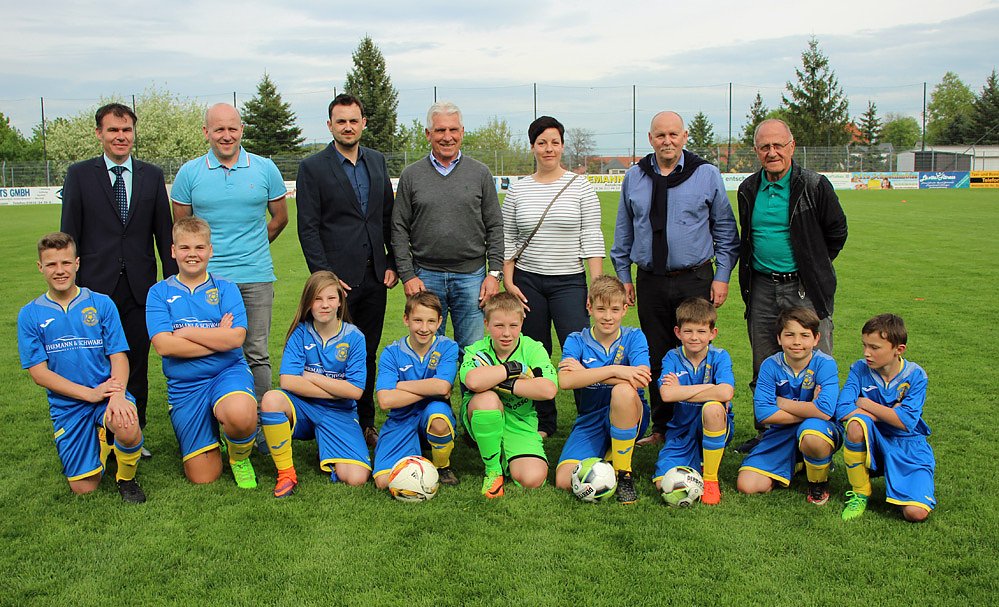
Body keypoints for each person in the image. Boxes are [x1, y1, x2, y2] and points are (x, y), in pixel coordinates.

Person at [610, 111, 739, 446]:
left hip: (694, 278)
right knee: (656, 353)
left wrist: (722, 276)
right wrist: (624, 277)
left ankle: (701, 421)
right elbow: (624, 231)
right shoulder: (635, 176)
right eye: (660, 135)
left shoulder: (706, 174)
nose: (667, 141)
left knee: (695, 348)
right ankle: (663, 427)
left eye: (673, 134)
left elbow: (726, 230)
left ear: (684, 137)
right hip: (650, 280)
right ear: (650, 139)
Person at [60, 102, 177, 459]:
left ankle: (132, 433)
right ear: (99, 133)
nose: (121, 136)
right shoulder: (80, 175)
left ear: (134, 133)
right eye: (113, 130)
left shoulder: (151, 175)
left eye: (126, 130)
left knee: (136, 362)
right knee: (96, 363)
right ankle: (96, 433)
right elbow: (69, 234)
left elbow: (164, 235)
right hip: (94, 289)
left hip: (140, 289)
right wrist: (70, 290)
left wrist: (172, 288)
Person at [734, 118, 847, 454]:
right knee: (764, 362)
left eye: (778, 145)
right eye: (764, 147)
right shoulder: (748, 188)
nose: (772, 152)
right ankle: (769, 434)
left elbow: (837, 232)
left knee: (816, 360)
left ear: (792, 146)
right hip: (762, 287)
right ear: (756, 151)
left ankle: (819, 434)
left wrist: (813, 265)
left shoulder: (814, 185)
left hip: (804, 287)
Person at [296, 93, 398, 447]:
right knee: (331, 352)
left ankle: (365, 421)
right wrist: (325, 278)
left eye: (354, 120)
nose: (348, 127)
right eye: (341, 121)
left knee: (366, 352)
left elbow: (387, 217)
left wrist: (392, 262)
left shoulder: (377, 161)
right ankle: (332, 419)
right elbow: (308, 227)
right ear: (330, 125)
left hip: (375, 277)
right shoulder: (313, 167)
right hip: (337, 282)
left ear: (363, 123)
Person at [171, 103, 288, 403]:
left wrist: (253, 245)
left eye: (232, 128)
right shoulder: (189, 173)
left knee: (256, 352)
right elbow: (182, 227)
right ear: (206, 132)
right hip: (207, 281)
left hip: (256, 276)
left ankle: (259, 420)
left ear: (242, 130)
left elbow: (280, 218)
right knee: (209, 349)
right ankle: (212, 414)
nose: (226, 135)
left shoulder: (265, 168)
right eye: (219, 129)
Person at [17, 232, 146, 503]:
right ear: (40, 267)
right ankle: (101, 439)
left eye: (66, 263)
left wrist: (118, 396)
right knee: (84, 487)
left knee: (126, 423)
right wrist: (88, 394)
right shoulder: (30, 314)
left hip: (107, 393)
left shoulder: (101, 303)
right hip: (68, 405)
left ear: (77, 263)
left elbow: (118, 356)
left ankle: (126, 478)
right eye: (51, 264)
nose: (60, 270)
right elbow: (39, 373)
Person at [502, 115, 604, 438]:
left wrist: (595, 286)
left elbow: (592, 236)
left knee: (580, 351)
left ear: (562, 145)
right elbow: (508, 238)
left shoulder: (580, 187)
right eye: (542, 143)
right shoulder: (518, 190)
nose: (549, 149)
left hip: (570, 282)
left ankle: (589, 420)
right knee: (536, 352)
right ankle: (543, 421)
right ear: (532, 147)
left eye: (555, 142)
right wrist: (508, 280)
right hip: (527, 281)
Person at [146, 217, 259, 488]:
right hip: (186, 385)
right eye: (185, 248)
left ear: (210, 250)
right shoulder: (159, 293)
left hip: (226, 373)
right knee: (203, 477)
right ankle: (211, 433)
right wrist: (218, 336)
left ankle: (239, 457)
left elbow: (236, 338)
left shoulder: (226, 288)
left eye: (199, 247)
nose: (192, 254)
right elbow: (164, 346)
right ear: (173, 251)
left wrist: (185, 332)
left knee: (241, 414)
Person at [392, 101, 504, 350]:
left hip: (472, 277)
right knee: (427, 348)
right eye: (440, 130)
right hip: (425, 276)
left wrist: (494, 273)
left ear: (462, 132)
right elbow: (398, 228)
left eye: (453, 130)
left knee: (472, 351)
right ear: (428, 134)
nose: (447, 137)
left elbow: (495, 226)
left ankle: (470, 380)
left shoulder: (480, 173)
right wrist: (407, 275)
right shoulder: (411, 175)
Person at [258, 271, 371, 497]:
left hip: (339, 412)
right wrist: (339, 389)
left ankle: (327, 442)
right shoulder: (300, 333)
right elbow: (288, 381)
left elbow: (356, 391)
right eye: (317, 299)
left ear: (340, 301)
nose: (324, 305)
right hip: (303, 407)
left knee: (356, 478)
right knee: (272, 399)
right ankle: (286, 473)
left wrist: (311, 376)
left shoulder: (354, 337)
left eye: (331, 298)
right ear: (308, 302)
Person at [554, 276, 650, 504]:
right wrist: (617, 370)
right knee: (565, 480)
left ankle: (623, 474)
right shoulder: (576, 340)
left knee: (624, 391)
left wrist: (586, 373)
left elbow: (640, 379)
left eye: (615, 309)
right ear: (589, 307)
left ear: (624, 309)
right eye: (601, 309)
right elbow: (565, 381)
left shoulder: (634, 336)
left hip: (630, 413)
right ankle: (609, 455)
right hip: (590, 418)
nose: (608, 317)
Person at [736, 307, 841, 505]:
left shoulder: (825, 364)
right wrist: (811, 408)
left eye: (804, 335)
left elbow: (825, 411)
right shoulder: (770, 365)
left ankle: (818, 483)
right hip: (781, 432)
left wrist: (781, 403)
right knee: (747, 485)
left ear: (816, 339)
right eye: (789, 335)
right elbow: (763, 414)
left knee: (811, 434)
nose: (797, 342)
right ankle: (797, 463)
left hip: (819, 429)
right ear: (779, 338)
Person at [836, 314, 934, 522]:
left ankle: (903, 483)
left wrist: (866, 403)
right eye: (864, 345)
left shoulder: (916, 375)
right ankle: (860, 493)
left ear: (899, 349)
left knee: (915, 513)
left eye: (874, 347)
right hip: (875, 439)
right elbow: (842, 410)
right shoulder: (859, 369)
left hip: (909, 444)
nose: (866, 353)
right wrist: (890, 413)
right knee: (856, 424)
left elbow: (906, 422)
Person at [459, 292, 557, 498]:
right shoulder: (476, 350)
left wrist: (495, 380)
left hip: (521, 422)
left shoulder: (533, 349)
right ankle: (493, 470)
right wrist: (513, 368)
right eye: (498, 326)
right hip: (483, 412)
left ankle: (503, 453)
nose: (506, 333)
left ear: (522, 323)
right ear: (486, 324)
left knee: (533, 479)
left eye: (513, 325)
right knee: (486, 399)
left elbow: (548, 390)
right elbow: (474, 382)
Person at [372, 292, 460, 489]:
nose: (424, 328)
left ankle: (442, 466)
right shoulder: (392, 352)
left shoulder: (447, 347)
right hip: (401, 418)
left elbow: (443, 387)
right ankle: (413, 449)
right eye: (418, 320)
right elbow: (385, 401)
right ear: (406, 319)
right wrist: (432, 388)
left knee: (438, 418)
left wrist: (398, 385)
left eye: (431, 321)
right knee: (384, 482)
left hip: (432, 412)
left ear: (439, 322)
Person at [653, 297, 735, 505]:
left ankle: (710, 479)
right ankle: (698, 462)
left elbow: (726, 392)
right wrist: (711, 388)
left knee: (713, 408)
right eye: (688, 331)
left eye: (701, 331)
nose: (694, 337)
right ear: (678, 332)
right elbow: (667, 395)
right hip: (680, 431)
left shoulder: (720, 356)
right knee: (662, 484)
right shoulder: (672, 357)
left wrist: (680, 390)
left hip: (712, 426)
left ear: (712, 333)